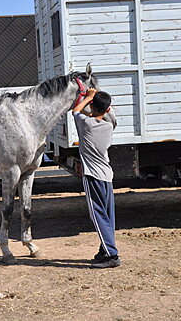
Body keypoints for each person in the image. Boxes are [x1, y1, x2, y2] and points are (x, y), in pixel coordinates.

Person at [72, 88, 120, 268]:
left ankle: (111, 255)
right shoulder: (109, 126)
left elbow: (75, 110)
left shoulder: (86, 124)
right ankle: (104, 250)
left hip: (92, 175)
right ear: (108, 109)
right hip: (107, 175)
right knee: (108, 216)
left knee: (98, 215)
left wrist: (88, 96)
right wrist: (96, 98)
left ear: (92, 106)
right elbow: (101, 111)